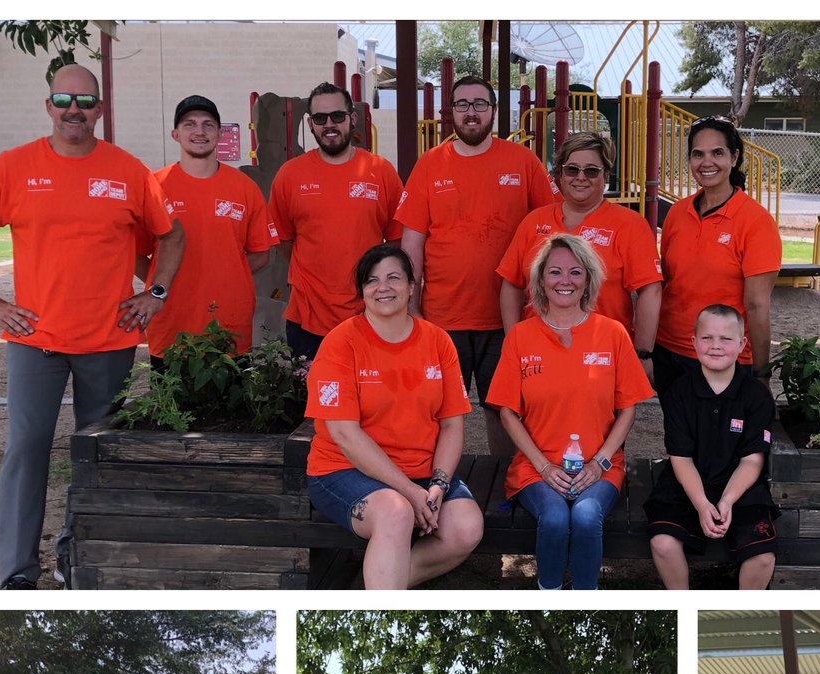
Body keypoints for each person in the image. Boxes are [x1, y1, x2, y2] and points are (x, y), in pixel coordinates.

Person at [0, 63, 185, 589]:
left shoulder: (128, 171)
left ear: (100, 109)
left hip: (109, 340)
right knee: (26, 451)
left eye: (85, 101)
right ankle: (17, 572)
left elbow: (171, 235)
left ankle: (77, 559)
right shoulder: (13, 167)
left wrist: (156, 293)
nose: (74, 109)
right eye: (63, 99)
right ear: (48, 105)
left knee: (94, 456)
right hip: (36, 341)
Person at [304, 244, 484, 589]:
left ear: (412, 286)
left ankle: (380, 585)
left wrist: (438, 486)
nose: (382, 287)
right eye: (371, 281)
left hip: (421, 471)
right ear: (362, 291)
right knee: (396, 513)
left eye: (393, 278)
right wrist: (409, 493)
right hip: (343, 470)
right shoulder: (340, 344)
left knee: (466, 528)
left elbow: (452, 424)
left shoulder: (438, 341)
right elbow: (344, 434)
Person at [397, 75, 554, 456]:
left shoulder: (523, 161)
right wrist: (411, 308)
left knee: (505, 409)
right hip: (441, 319)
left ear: (494, 111)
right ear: (450, 113)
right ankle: (431, 482)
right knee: (435, 410)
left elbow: (552, 230)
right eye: (462, 105)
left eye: (480, 104)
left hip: (507, 320)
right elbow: (412, 243)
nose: (471, 113)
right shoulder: (430, 165)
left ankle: (508, 483)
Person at [486, 233, 650, 590]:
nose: (565, 281)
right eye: (555, 272)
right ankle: (551, 594)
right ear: (541, 280)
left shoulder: (613, 333)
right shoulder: (520, 336)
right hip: (536, 466)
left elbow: (629, 409)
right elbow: (507, 413)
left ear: (589, 279)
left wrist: (600, 462)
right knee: (557, 517)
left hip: (600, 466)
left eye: (575, 273)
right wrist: (544, 467)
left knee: (588, 517)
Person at [497, 131, 662, 381]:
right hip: (539, 352)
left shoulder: (629, 225)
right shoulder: (534, 222)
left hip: (602, 355)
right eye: (572, 170)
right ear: (560, 176)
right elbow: (511, 283)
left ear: (606, 175)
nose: (581, 178)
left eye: (592, 171)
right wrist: (513, 342)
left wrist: (643, 353)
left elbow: (650, 290)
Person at [645, 305, 779, 590]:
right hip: (688, 484)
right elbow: (681, 458)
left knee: (763, 557)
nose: (715, 346)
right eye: (707, 338)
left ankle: (746, 623)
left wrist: (727, 500)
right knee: (663, 543)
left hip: (740, 488)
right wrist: (702, 504)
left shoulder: (756, 395)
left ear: (743, 345)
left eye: (726, 339)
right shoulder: (679, 393)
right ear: (693, 343)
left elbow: (752, 461)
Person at [138, 95, 276, 368]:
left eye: (208, 125)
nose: (199, 131)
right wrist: (168, 281)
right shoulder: (154, 187)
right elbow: (136, 253)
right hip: (171, 328)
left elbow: (261, 254)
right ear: (175, 134)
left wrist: (223, 274)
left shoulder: (244, 187)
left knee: (229, 410)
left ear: (220, 134)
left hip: (229, 329)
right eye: (190, 124)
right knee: (173, 409)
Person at [268, 81, 404, 361]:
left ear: (352, 118)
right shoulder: (290, 175)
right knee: (315, 402)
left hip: (370, 314)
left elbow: (396, 242)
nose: (329, 124)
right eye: (320, 118)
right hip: (308, 319)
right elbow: (284, 241)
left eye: (338, 116)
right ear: (310, 124)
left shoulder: (381, 172)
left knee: (370, 402)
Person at [653, 117, 781, 397]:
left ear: (734, 158)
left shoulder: (755, 222)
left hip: (723, 358)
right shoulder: (678, 213)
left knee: (719, 441)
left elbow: (758, 305)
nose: (706, 162)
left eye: (717, 153)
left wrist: (761, 373)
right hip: (669, 351)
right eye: (698, 154)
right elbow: (669, 282)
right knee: (678, 440)